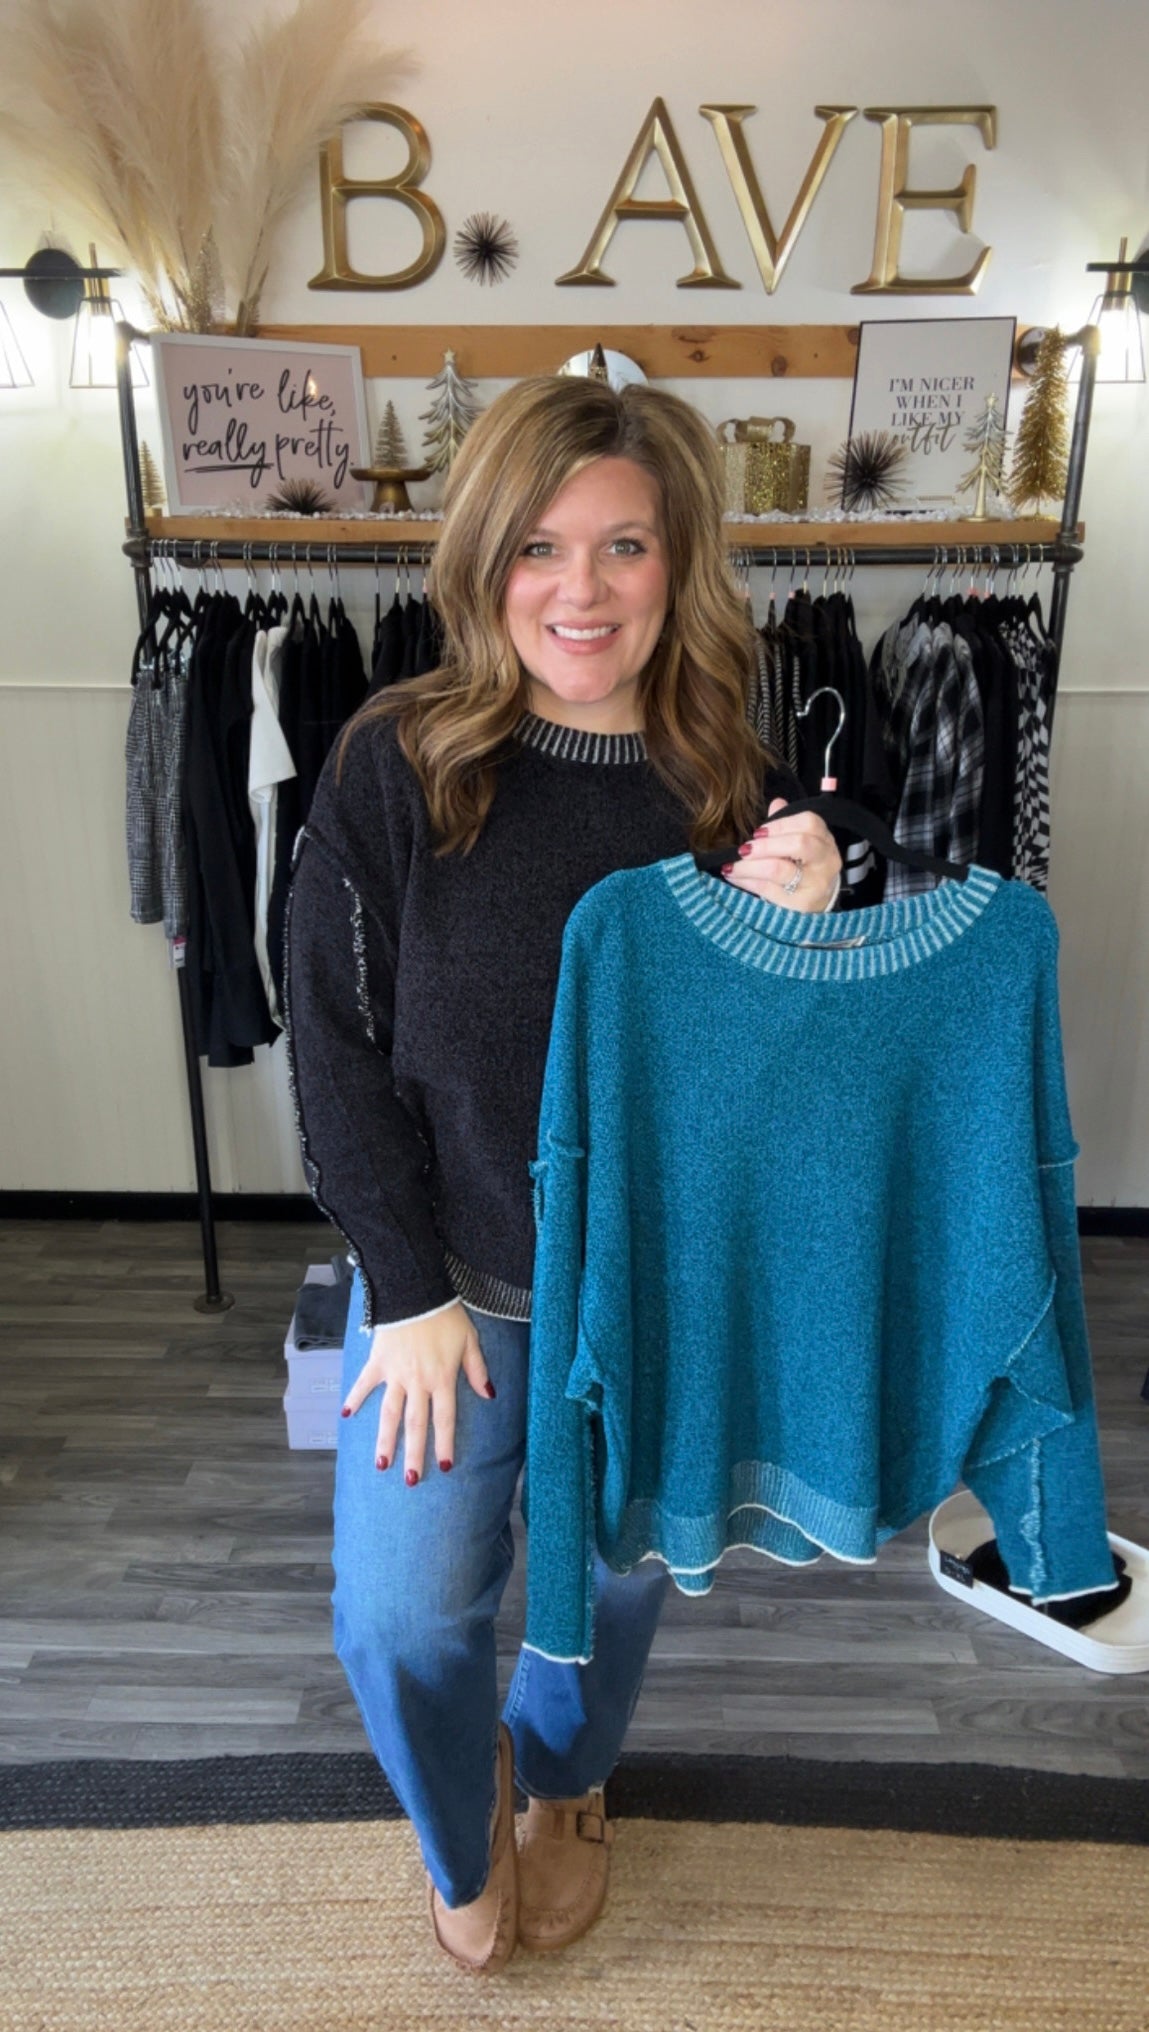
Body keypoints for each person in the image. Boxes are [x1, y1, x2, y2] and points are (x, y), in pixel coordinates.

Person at [284, 374, 842, 1974]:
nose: (578, 591)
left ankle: (568, 1780)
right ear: (483, 559)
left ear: (679, 563)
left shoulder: (733, 778)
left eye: (622, 546)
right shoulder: (397, 760)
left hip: (650, 1293)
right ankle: (457, 1828)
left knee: (606, 1593)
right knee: (402, 1615)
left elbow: (762, 1102)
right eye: (537, 546)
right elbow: (333, 1043)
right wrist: (405, 1292)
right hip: (445, 1294)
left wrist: (803, 944)